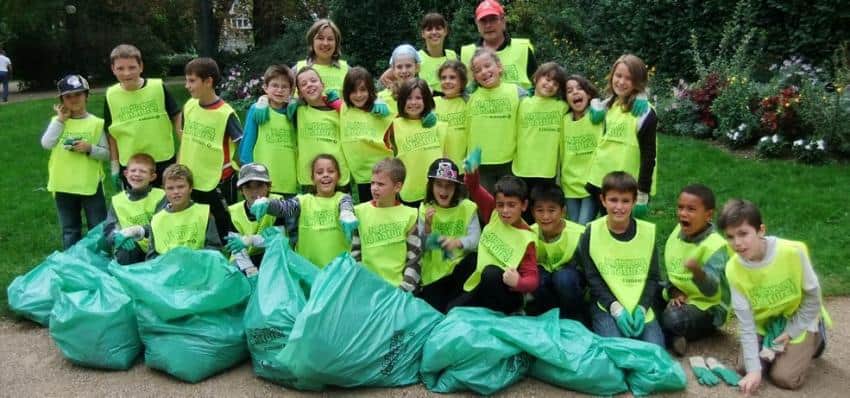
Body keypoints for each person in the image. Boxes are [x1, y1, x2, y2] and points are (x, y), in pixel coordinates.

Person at [719, 198, 830, 394]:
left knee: (785, 378)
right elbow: (745, 322)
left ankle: (816, 337)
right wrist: (754, 371)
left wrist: (791, 331)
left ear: (761, 230)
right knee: (746, 368)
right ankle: (778, 352)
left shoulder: (793, 252)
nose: (737, 243)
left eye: (743, 233)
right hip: (764, 324)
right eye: (730, 236)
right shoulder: (733, 269)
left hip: (798, 317)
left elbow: (813, 299)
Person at [579, 171, 663, 347]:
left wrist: (642, 308)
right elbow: (592, 278)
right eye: (613, 200)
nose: (619, 207)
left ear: (634, 201)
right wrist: (615, 308)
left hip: (640, 306)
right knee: (618, 351)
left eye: (625, 201)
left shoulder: (647, 233)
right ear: (603, 200)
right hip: (607, 306)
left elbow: (653, 277)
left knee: (655, 352)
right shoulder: (591, 232)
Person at [449, 155, 538, 315]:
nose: (505, 211)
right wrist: (472, 171)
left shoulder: (527, 238)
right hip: (481, 284)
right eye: (500, 205)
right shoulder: (493, 212)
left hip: (507, 293)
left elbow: (532, 278)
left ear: (523, 206)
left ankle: (509, 312)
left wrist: (518, 282)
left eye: (511, 205)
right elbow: (474, 188)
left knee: (491, 273)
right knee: (468, 262)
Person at [250, 154, 357, 269]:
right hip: (309, 270)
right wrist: (268, 204)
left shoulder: (343, 198)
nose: (325, 175)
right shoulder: (303, 201)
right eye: (319, 172)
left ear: (338, 176)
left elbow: (346, 207)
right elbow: (285, 208)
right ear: (312, 178)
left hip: (338, 269)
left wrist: (347, 214)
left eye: (331, 171)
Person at [40, 74, 109, 250]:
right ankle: (72, 261)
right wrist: (60, 121)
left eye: (78, 94)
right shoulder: (58, 122)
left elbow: (108, 154)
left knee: (98, 226)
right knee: (70, 229)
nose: (74, 99)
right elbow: (47, 143)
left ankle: (99, 258)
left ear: (86, 96)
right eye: (68, 96)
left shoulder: (97, 123)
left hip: (89, 184)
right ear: (62, 99)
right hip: (63, 184)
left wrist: (89, 149)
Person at [661, 184, 730, 356]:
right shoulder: (678, 232)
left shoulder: (715, 245)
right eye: (680, 207)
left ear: (708, 215)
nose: (683, 213)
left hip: (709, 308)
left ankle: (670, 330)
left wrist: (697, 272)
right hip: (681, 297)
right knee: (645, 291)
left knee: (673, 318)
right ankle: (671, 333)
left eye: (691, 209)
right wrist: (675, 292)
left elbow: (711, 290)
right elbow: (671, 271)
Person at [586, 54, 657, 219]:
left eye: (629, 78)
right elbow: (595, 103)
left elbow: (649, 157)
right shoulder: (612, 103)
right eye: (618, 76)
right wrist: (595, 107)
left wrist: (642, 194)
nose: (621, 82)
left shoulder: (644, 112)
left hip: (626, 188)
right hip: (601, 181)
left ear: (638, 82)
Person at [179, 57, 242, 241]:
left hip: (219, 181)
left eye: (192, 81)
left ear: (208, 81)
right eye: (186, 80)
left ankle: (238, 260)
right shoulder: (189, 106)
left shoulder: (226, 113)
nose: (187, 86)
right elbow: (186, 141)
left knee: (227, 224)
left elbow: (242, 145)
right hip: (193, 177)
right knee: (197, 222)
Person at [104, 44, 182, 189]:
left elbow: (176, 116)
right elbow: (111, 133)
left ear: (141, 67)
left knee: (167, 206)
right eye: (120, 68)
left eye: (132, 67)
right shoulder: (111, 95)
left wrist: (183, 149)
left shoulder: (157, 87)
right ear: (113, 69)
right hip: (132, 166)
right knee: (138, 209)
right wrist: (114, 165)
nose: (127, 73)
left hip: (162, 159)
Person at [417, 158, 479, 313]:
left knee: (474, 261)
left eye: (448, 185)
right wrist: (428, 227)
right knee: (437, 312)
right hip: (435, 275)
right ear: (431, 186)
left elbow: (476, 240)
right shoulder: (425, 209)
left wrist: (458, 242)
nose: (443, 191)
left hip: (460, 270)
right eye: (439, 185)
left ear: (456, 187)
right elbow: (420, 248)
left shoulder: (467, 207)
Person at [351, 158, 421, 292]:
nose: (374, 188)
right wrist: (361, 284)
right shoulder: (359, 212)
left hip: (398, 292)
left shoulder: (409, 215)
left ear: (397, 187)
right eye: (372, 183)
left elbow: (414, 259)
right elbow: (355, 253)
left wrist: (403, 290)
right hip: (367, 289)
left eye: (381, 184)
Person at [513, 62, 568, 222]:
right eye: (547, 78)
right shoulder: (521, 103)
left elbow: (585, 100)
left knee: (542, 215)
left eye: (555, 83)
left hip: (546, 172)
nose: (550, 85)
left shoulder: (562, 106)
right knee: (522, 215)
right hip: (521, 169)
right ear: (536, 78)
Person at [525, 183, 587, 321]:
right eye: (540, 210)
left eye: (552, 210)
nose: (545, 216)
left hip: (570, 279)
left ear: (563, 211)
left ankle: (574, 318)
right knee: (536, 278)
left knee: (563, 278)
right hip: (546, 279)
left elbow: (590, 272)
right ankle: (547, 314)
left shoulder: (580, 234)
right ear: (532, 211)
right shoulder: (528, 233)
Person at [466, 48, 524, 192]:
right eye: (478, 70)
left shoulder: (517, 92)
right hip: (481, 164)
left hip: (509, 162)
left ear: (499, 66)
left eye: (487, 66)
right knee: (486, 208)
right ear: (474, 76)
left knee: (509, 204)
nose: (484, 72)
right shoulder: (470, 97)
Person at [383, 78, 445, 208]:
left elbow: (444, 155)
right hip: (409, 190)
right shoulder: (395, 125)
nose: (413, 102)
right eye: (408, 98)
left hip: (436, 188)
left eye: (418, 98)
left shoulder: (436, 124)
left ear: (426, 100)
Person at [240, 64, 298, 197]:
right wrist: (249, 173)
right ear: (265, 87)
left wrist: (296, 103)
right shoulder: (258, 109)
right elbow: (247, 143)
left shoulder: (293, 113)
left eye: (284, 87)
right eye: (275, 85)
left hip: (288, 179)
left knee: (288, 216)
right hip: (262, 180)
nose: (279, 90)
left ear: (291, 90)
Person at [340, 66, 393, 203]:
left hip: (385, 171)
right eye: (353, 91)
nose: (358, 95)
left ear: (370, 89)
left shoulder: (380, 107)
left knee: (387, 208)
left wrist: (379, 100)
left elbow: (401, 95)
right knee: (367, 210)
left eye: (363, 90)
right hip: (361, 175)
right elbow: (323, 100)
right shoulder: (344, 108)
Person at [292, 66, 349, 189]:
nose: (309, 85)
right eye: (303, 84)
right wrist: (263, 99)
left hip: (337, 173)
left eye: (313, 80)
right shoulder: (298, 111)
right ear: (300, 93)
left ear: (322, 85)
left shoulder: (338, 110)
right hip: (310, 177)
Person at [224, 163, 287, 275]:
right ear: (241, 190)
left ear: (268, 187)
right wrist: (250, 270)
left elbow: (278, 237)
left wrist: (249, 240)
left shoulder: (277, 203)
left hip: (270, 253)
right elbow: (236, 247)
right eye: (248, 187)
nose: (254, 191)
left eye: (259, 185)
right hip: (243, 257)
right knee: (232, 274)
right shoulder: (235, 212)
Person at [104, 153, 166, 265]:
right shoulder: (117, 200)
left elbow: (164, 225)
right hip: (132, 245)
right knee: (124, 250)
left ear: (152, 177)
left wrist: (139, 231)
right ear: (126, 174)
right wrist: (117, 237)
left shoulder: (161, 196)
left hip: (158, 245)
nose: (137, 174)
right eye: (133, 171)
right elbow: (109, 228)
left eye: (143, 171)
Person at [147, 164, 221, 257]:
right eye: (170, 188)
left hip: (198, 266)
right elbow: (152, 257)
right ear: (164, 190)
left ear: (190, 188)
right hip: (168, 269)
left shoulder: (204, 213)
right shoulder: (157, 220)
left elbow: (214, 248)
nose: (176, 192)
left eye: (181, 187)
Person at [459, 0, 537, 89]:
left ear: (503, 21)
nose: (488, 25)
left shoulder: (523, 48)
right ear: (477, 24)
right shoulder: (467, 53)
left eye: (493, 19)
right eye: (483, 21)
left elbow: (539, 86)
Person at [561, 74, 603, 225]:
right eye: (569, 90)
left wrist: (598, 104)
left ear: (589, 93)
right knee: (572, 226)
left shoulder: (597, 116)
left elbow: (615, 102)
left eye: (580, 88)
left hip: (590, 184)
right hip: (569, 185)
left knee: (583, 225)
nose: (575, 92)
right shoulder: (564, 121)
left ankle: (583, 249)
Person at [294, 19, 349, 93]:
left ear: (336, 44)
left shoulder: (348, 71)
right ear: (312, 41)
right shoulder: (296, 71)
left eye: (330, 39)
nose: (325, 43)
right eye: (320, 38)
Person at [433, 60, 469, 169]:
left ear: (462, 81)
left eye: (452, 77)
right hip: (438, 167)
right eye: (443, 78)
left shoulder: (469, 102)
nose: (447, 81)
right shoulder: (432, 103)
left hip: (463, 166)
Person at [378, 44, 421, 116]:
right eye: (399, 67)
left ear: (416, 67)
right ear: (393, 70)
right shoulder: (381, 98)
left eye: (408, 66)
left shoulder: (424, 94)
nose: (404, 71)